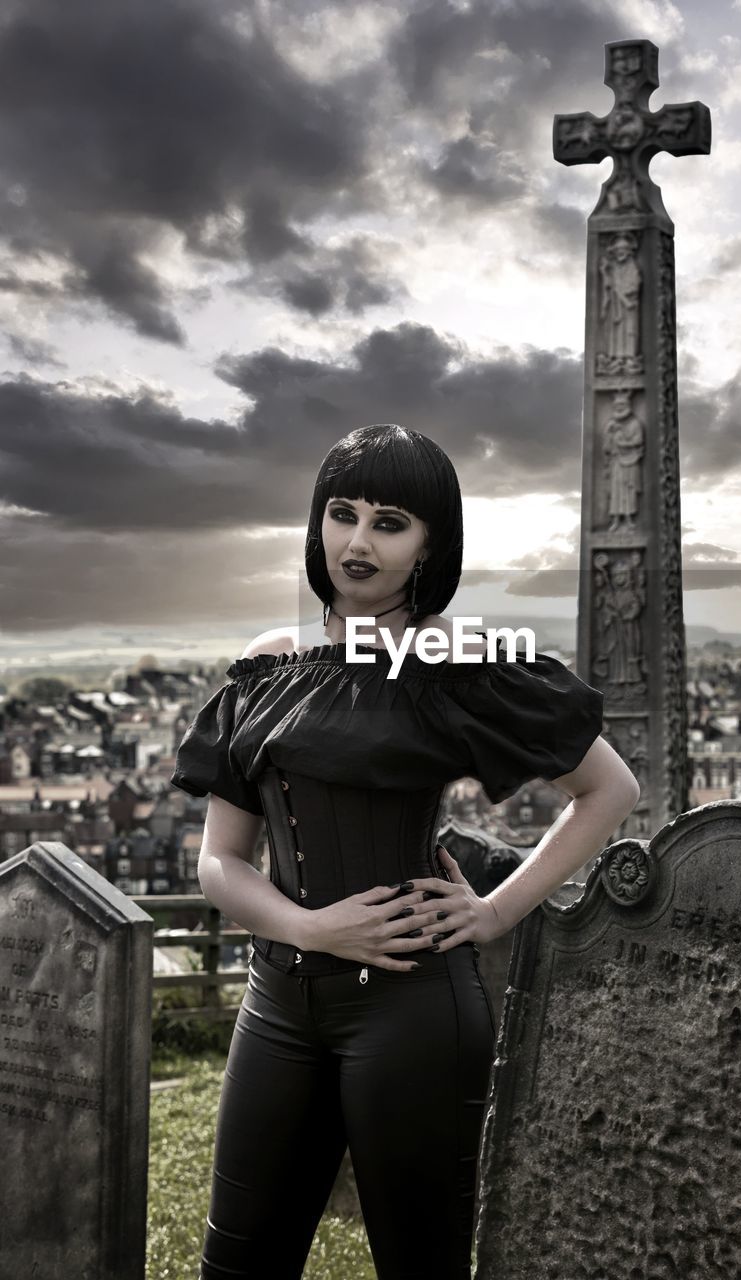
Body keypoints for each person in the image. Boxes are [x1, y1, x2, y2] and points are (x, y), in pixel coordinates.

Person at [170, 423, 640, 1279]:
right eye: (341, 514)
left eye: (389, 523)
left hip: (412, 1008)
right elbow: (220, 864)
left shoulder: (459, 661)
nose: (357, 541)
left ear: (430, 542)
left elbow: (609, 790)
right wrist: (314, 930)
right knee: (234, 1266)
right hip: (277, 1003)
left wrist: (494, 909)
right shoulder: (267, 665)